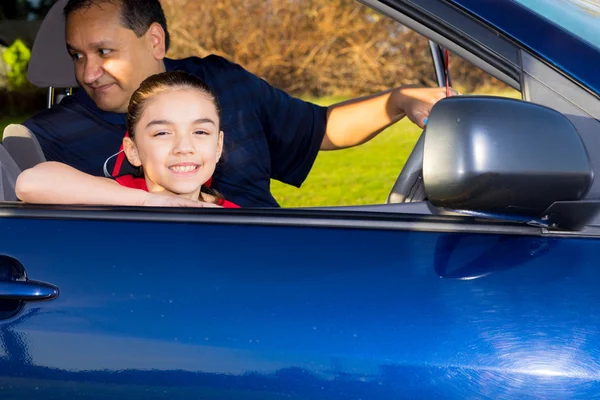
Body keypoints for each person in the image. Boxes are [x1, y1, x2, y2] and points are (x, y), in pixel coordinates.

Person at [23, 0, 456, 207]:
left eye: (103, 52)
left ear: (153, 40)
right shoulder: (50, 135)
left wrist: (396, 101)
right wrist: (168, 203)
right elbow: (30, 186)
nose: (88, 73)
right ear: (131, 147)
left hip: (261, 261)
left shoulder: (223, 83)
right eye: (76, 56)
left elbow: (319, 128)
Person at [17, 71, 239, 208]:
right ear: (132, 151)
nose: (184, 147)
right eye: (162, 133)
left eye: (200, 132)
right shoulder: (123, 194)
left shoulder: (235, 218)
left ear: (218, 146)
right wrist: (146, 202)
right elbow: (31, 182)